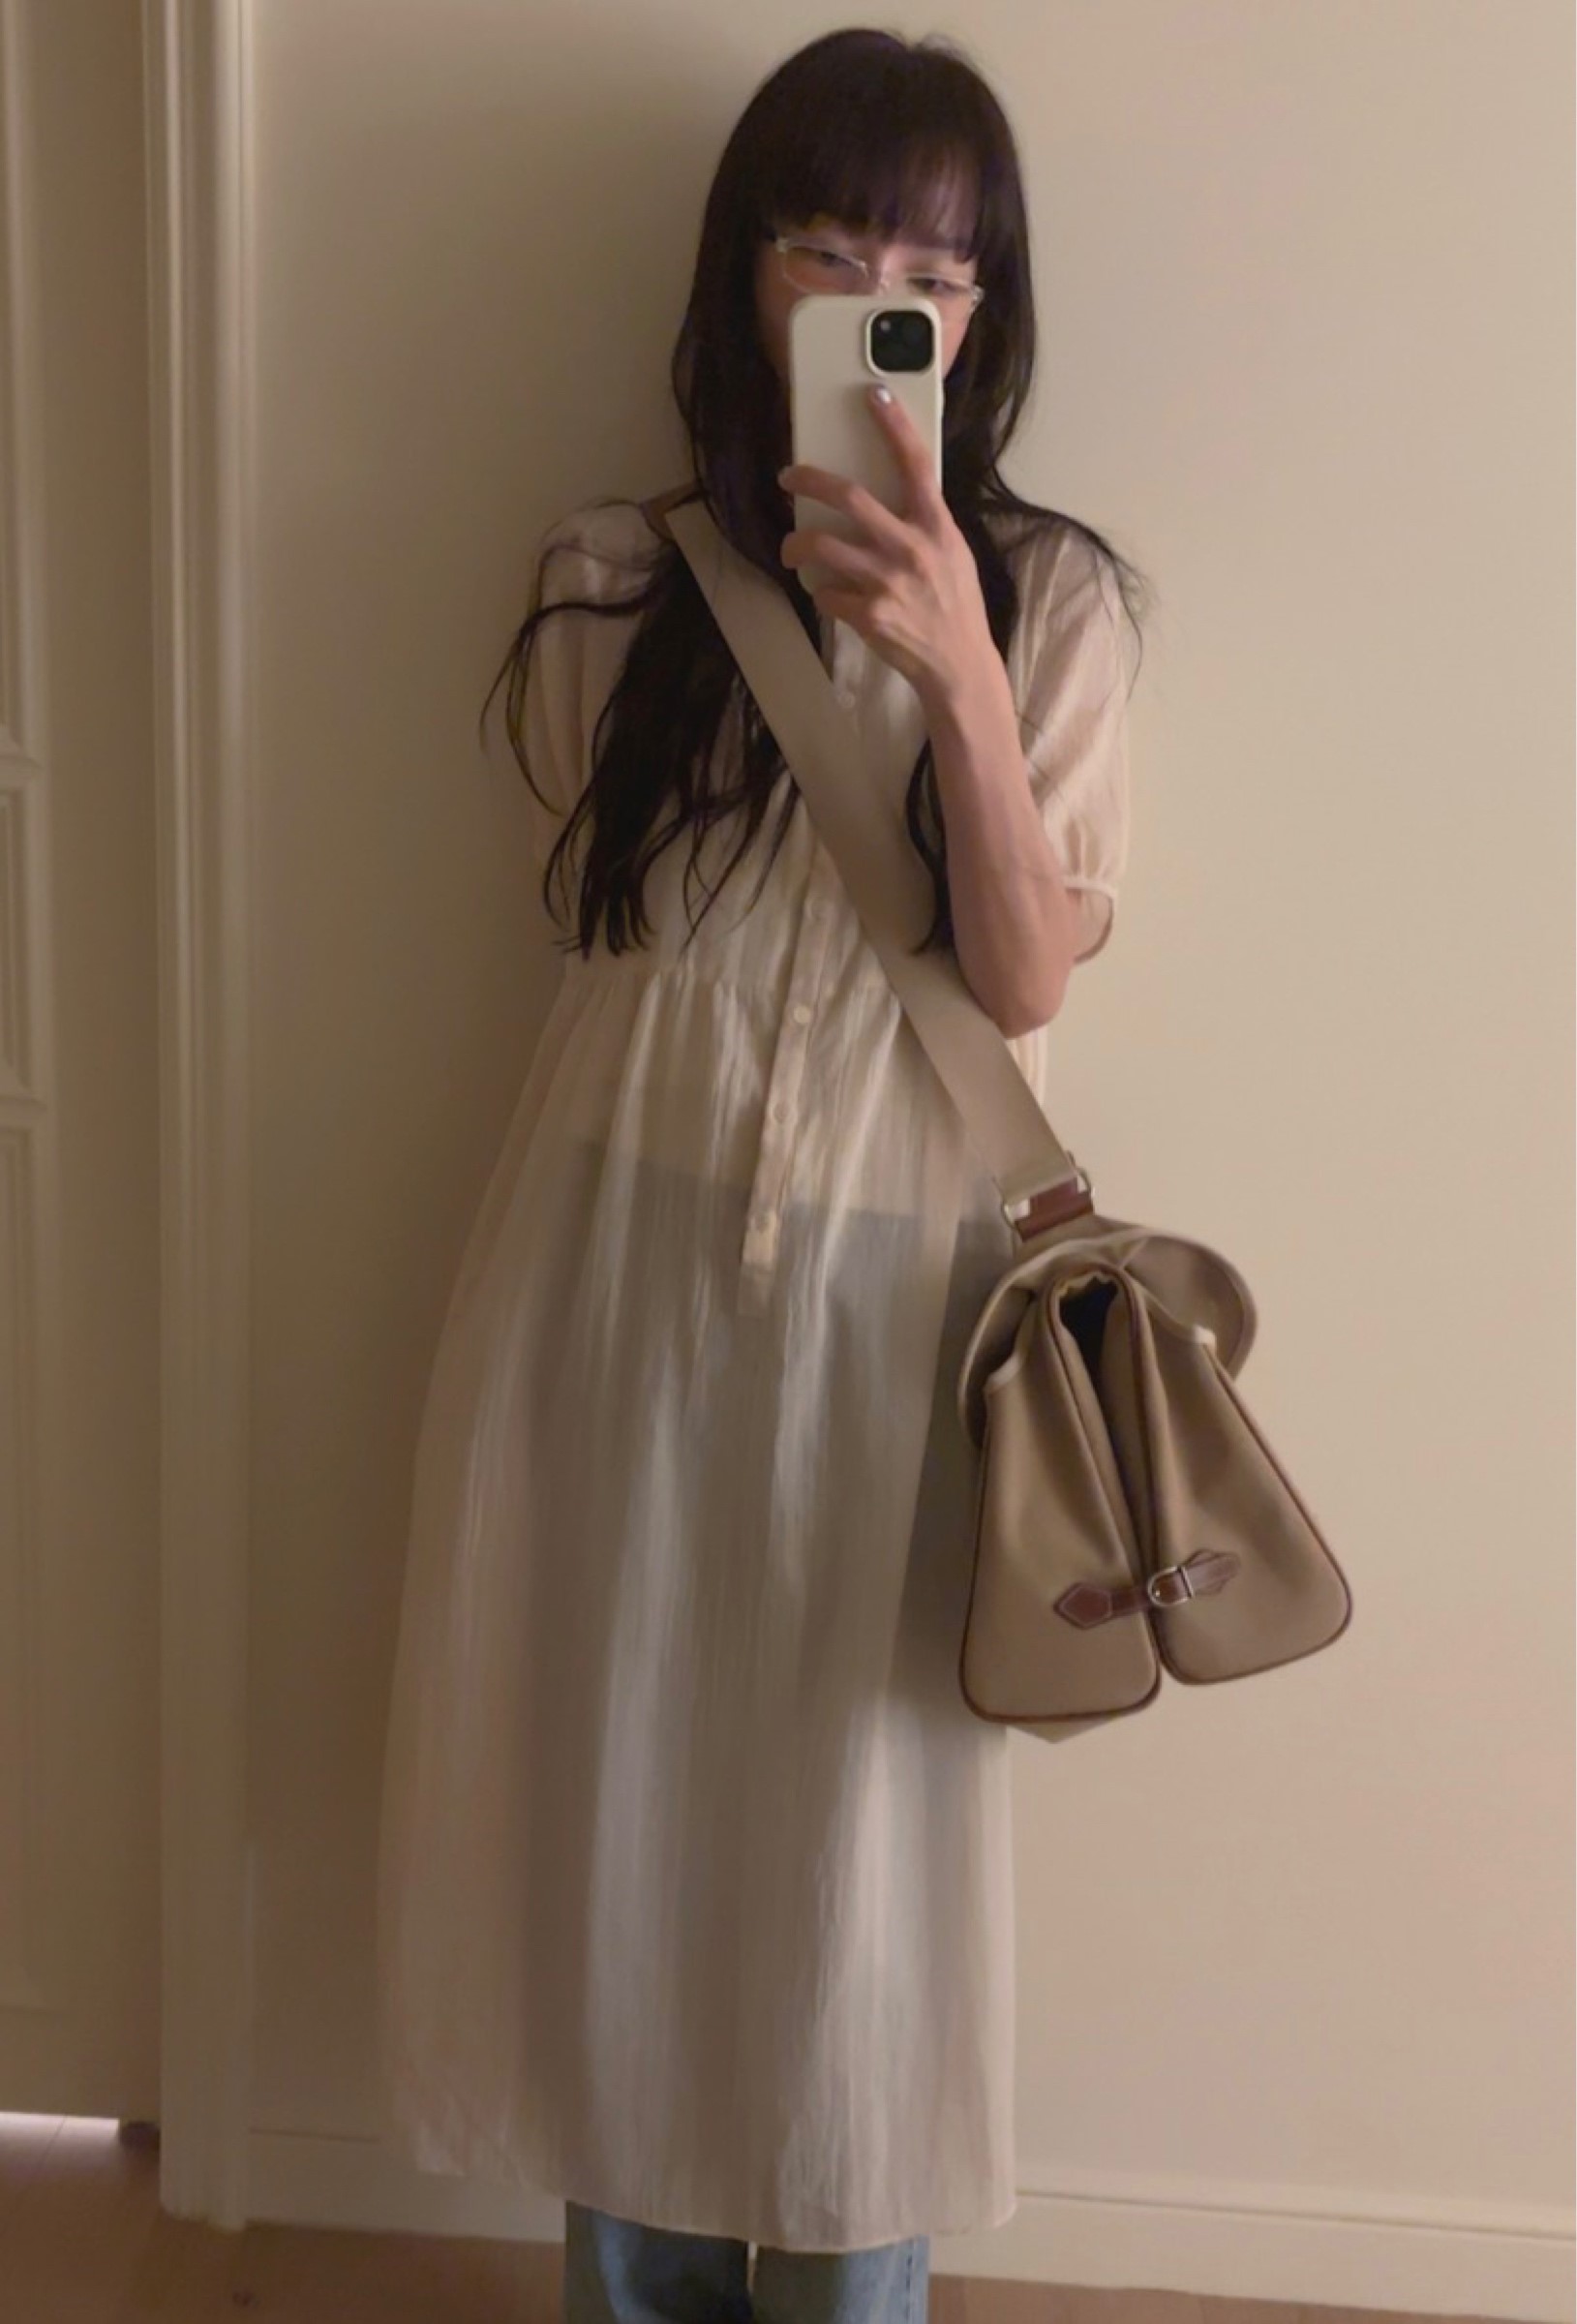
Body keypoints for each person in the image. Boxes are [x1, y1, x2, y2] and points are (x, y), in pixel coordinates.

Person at [373, 25, 1144, 2324]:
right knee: (613, 1812)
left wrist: (957, 679)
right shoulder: (615, 580)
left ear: (983, 316)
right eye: (829, 249)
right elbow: (617, 937)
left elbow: (1022, 976)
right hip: (613, 1258)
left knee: (853, 1866)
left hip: (907, 1299)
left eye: (934, 273)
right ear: (745, 273)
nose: (880, 305)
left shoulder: (1054, 606)